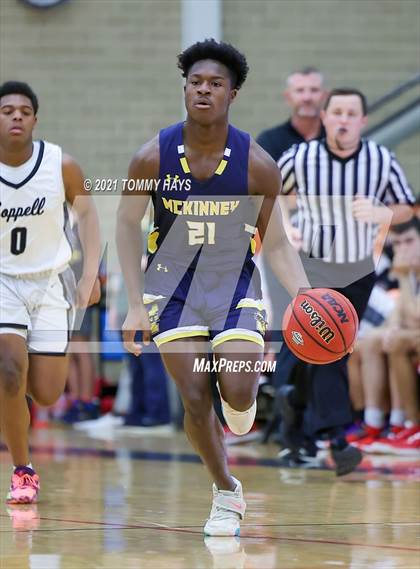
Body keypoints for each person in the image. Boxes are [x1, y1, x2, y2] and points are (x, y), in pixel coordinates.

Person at [116, 39, 312, 537]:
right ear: (185, 89)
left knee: (239, 389)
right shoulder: (151, 158)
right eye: (196, 83)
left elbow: (278, 245)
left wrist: (307, 296)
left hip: (234, 285)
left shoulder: (257, 164)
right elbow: (124, 225)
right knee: (195, 398)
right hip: (173, 290)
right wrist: (136, 306)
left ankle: (241, 403)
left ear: (233, 94)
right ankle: (226, 492)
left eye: (215, 84)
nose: (203, 91)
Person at [275, 87, 415, 470]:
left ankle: (293, 420)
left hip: (356, 269)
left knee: (321, 350)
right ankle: (335, 437)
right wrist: (286, 226)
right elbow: (264, 192)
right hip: (310, 265)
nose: (343, 119)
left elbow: (404, 206)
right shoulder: (300, 156)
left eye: (352, 113)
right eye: (337, 111)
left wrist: (381, 212)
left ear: (363, 121)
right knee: (323, 348)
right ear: (324, 117)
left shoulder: (379, 159)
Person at [0, 81, 101, 504]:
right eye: (7, 110)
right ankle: (23, 469)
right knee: (7, 369)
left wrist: (90, 274)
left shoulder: (62, 165)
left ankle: (16, 389)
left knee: (45, 392)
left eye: (25, 110)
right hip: (3, 282)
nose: (17, 116)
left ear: (35, 119)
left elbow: (90, 220)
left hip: (49, 283)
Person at [351, 217, 420, 454]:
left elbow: (416, 316)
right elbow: (399, 316)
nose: (403, 249)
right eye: (398, 244)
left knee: (397, 342)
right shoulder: (412, 274)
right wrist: (389, 328)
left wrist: (401, 276)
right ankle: (374, 423)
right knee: (368, 342)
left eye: (409, 241)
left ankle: (408, 423)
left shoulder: (406, 275)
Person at [256, 67, 327, 163]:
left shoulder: (337, 138)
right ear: (288, 97)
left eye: (314, 90)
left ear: (325, 96)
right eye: (300, 90)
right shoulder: (269, 140)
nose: (307, 97)